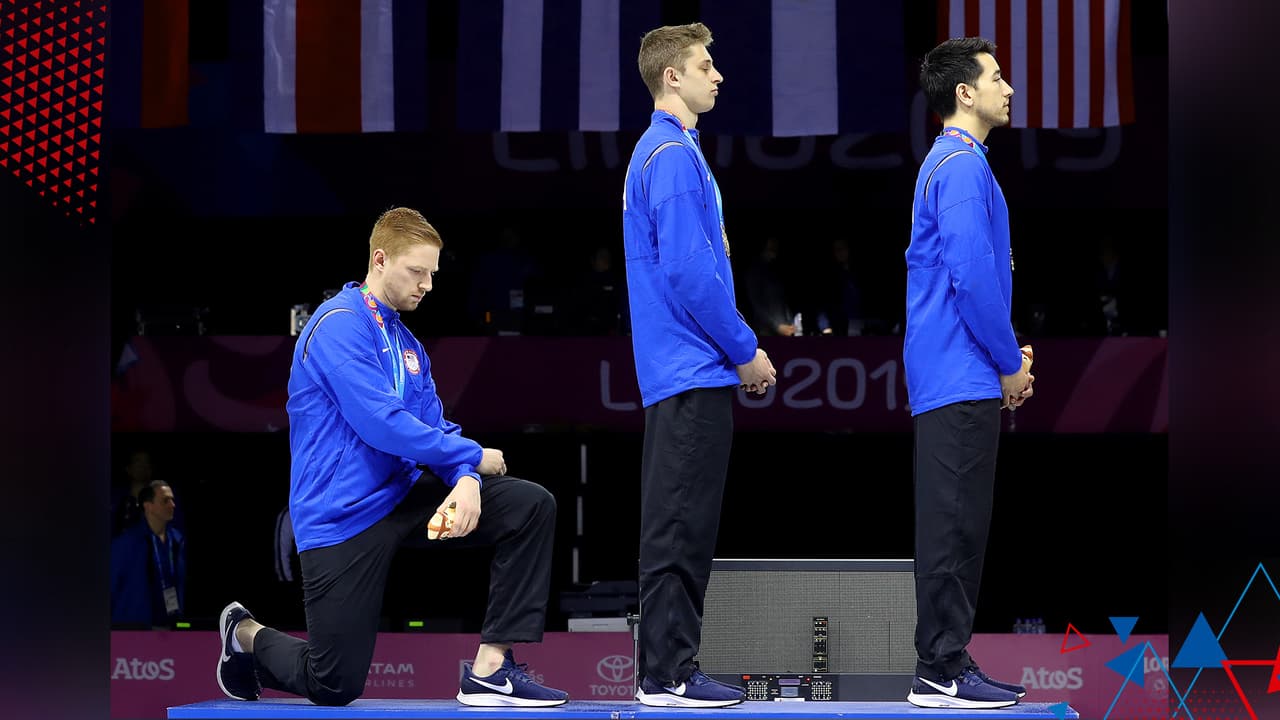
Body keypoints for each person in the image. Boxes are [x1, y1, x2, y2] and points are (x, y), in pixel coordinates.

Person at [214, 207, 568, 708]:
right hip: (342, 518)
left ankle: (492, 670)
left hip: (403, 498)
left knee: (529, 505)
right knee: (333, 684)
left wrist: (465, 477)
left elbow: (433, 427)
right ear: (380, 260)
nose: (427, 285)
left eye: (432, 275)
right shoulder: (336, 326)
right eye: (416, 272)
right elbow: (381, 425)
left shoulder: (407, 345)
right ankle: (245, 634)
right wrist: (473, 456)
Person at [621, 22, 776, 709]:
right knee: (679, 525)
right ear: (671, 77)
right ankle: (668, 674)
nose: (718, 76)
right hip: (693, 368)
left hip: (683, 369)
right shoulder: (671, 157)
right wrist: (745, 349)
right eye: (705, 65)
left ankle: (667, 668)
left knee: (677, 521)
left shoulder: (671, 152)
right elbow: (690, 273)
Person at [903, 37, 1035, 710]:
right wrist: (1010, 362)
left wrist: (1003, 359)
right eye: (997, 76)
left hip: (963, 373)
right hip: (959, 375)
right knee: (953, 528)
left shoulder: (962, 163)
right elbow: (972, 277)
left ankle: (945, 662)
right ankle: (940, 670)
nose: (1008, 88)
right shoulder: (957, 165)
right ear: (964, 93)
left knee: (962, 528)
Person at [110, 480, 186, 627]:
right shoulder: (126, 544)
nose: (172, 505)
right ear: (148, 506)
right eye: (165, 501)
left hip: (171, 627)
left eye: (172, 500)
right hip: (134, 631)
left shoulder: (177, 541)